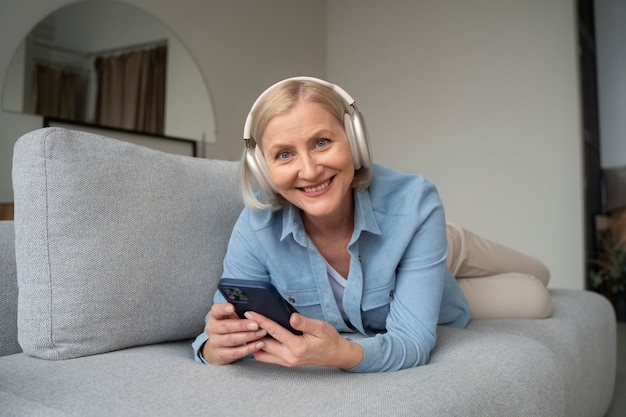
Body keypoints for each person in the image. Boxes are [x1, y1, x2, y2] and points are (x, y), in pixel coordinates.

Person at [192, 76, 552, 373]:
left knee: (539, 273)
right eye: (284, 154)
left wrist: (343, 354)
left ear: (355, 141)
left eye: (321, 142)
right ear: (262, 168)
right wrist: (216, 349)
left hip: (426, 238)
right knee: (535, 298)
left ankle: (452, 242)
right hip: (434, 284)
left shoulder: (414, 204)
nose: (309, 169)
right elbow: (214, 331)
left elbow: (412, 343)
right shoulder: (256, 229)